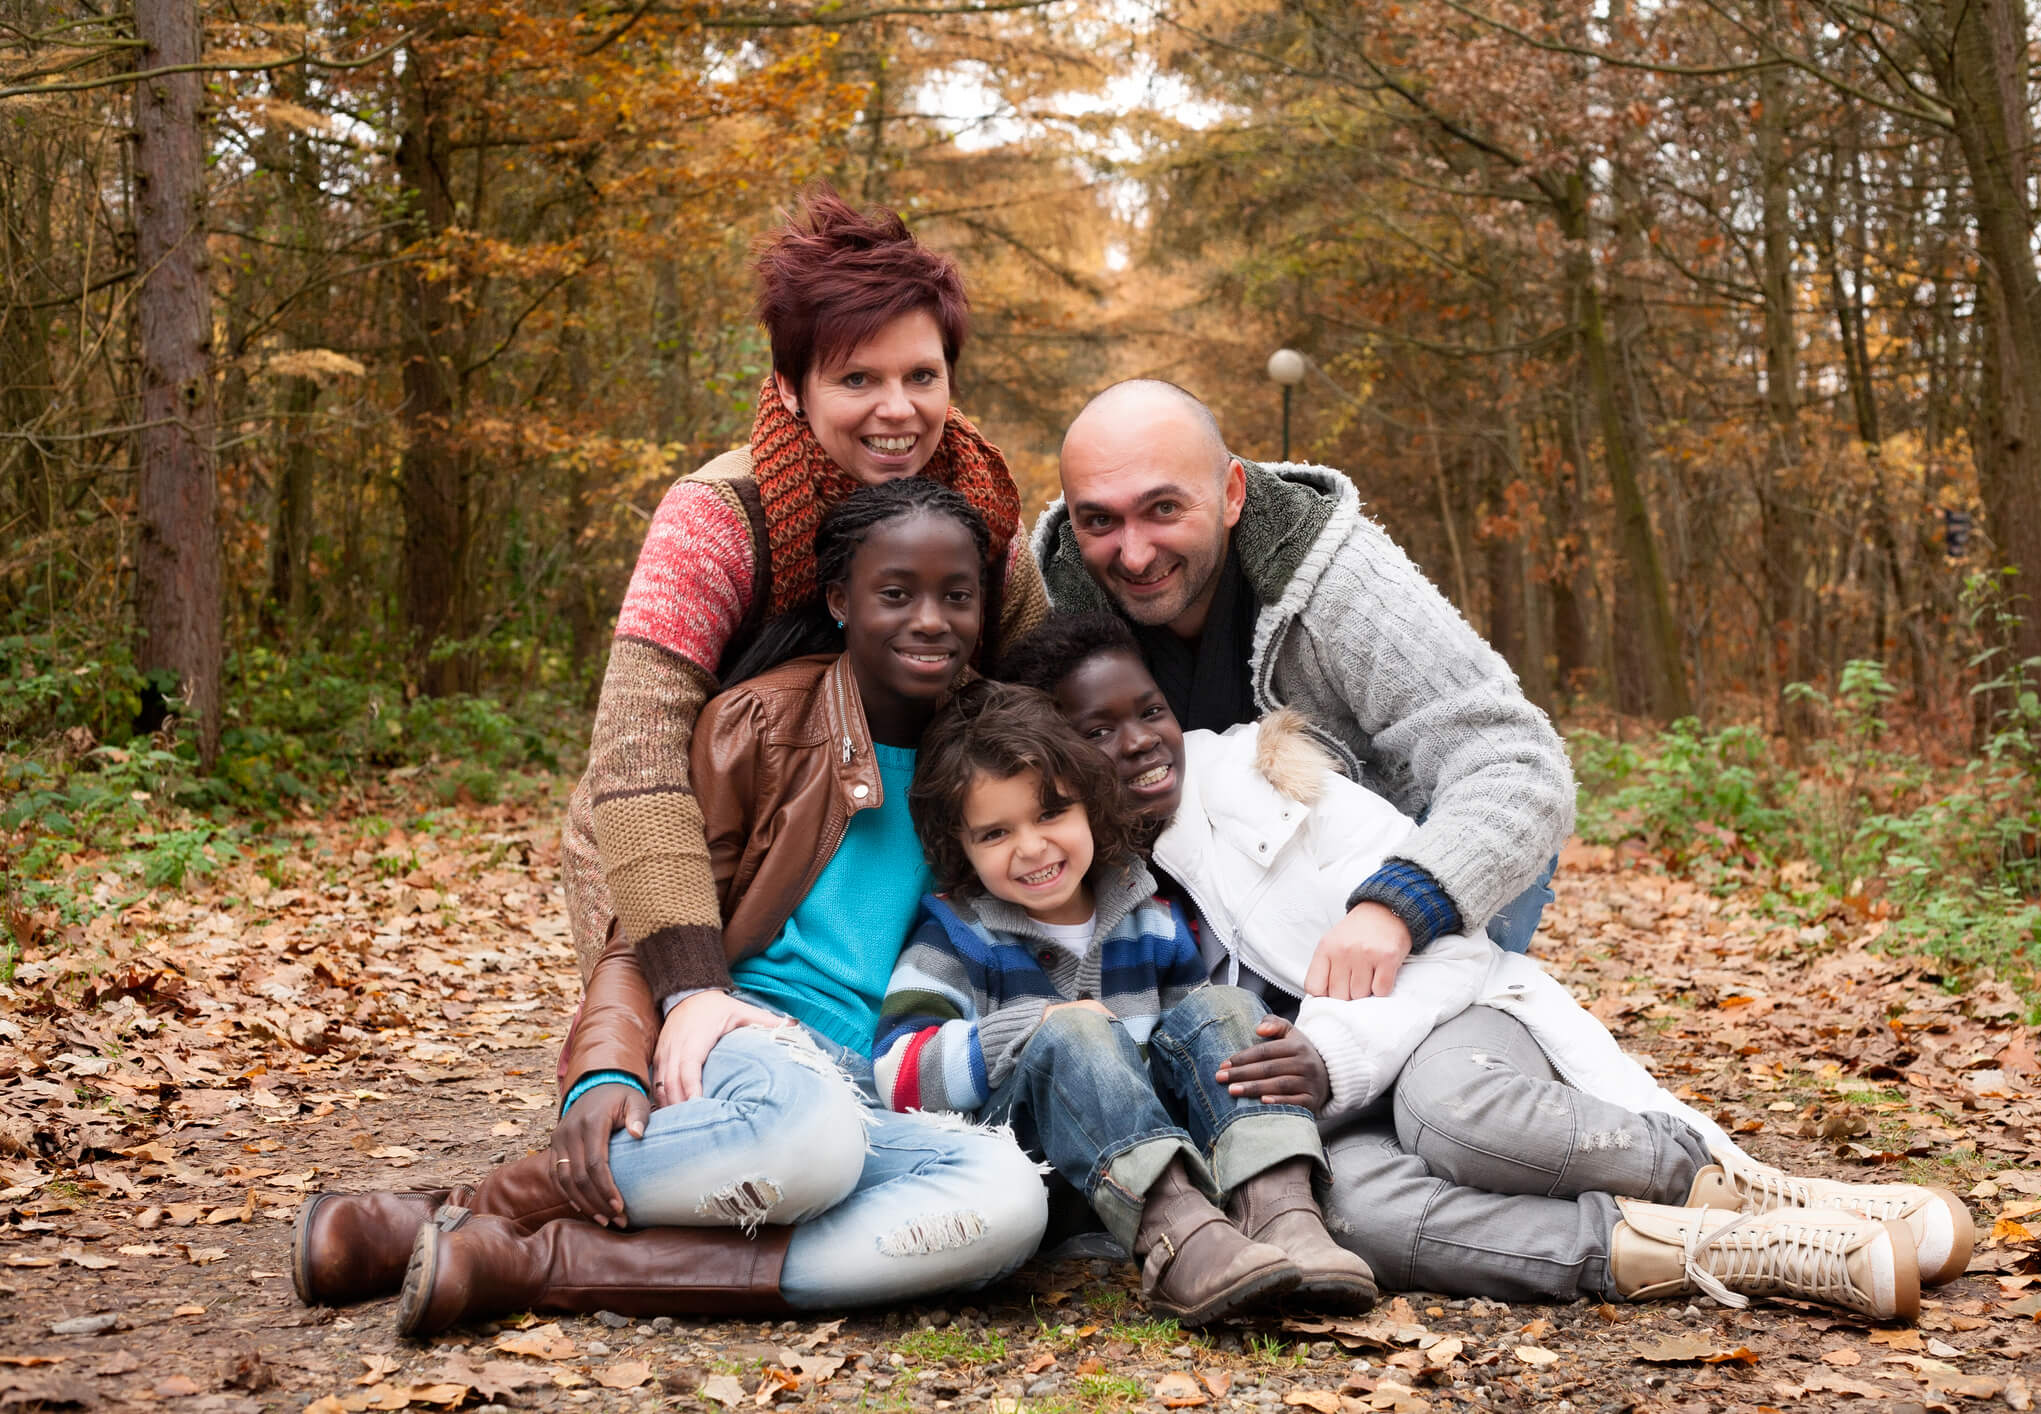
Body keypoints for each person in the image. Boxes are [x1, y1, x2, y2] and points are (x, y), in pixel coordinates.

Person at [992, 615, 1975, 1321]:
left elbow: (1458, 953)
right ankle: (1738, 1250)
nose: (1137, 743)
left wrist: (1334, 1055)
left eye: (1147, 710)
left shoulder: (1274, 785)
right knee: (1357, 1218)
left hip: (1445, 1019)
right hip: (1312, 1116)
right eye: (1096, 729)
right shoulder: (1069, 880)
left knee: (1455, 1115)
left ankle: (1760, 1189)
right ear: (1050, 754)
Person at [294, 482, 1048, 1336]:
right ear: (840, 601)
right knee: (811, 1144)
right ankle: (479, 1203)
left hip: (887, 1082)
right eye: (895, 593)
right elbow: (650, 927)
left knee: (1009, 1198)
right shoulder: (758, 725)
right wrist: (606, 1070)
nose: (929, 620)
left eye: (957, 597)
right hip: (750, 1050)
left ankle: (529, 1262)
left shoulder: (998, 741)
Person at [562, 186, 1044, 1004]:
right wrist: (688, 988)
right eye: (857, 377)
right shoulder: (717, 517)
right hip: (696, 849)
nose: (898, 409)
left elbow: (1043, 706)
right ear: (791, 386)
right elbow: (637, 756)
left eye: (921, 375)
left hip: (888, 858)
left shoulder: (985, 523)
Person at [872, 682, 1376, 1324]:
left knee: (1226, 1007)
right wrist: (1032, 1028)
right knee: (1074, 1035)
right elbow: (897, 1074)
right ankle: (1176, 1241)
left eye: (1050, 813)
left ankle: (1279, 1212)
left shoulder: (1152, 921)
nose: (1031, 847)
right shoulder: (957, 933)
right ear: (961, 846)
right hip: (1048, 1177)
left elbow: (1199, 1063)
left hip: (1182, 1167)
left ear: (1090, 805)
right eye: (995, 832)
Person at [1035, 379, 1569, 970]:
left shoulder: (1342, 580)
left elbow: (1516, 759)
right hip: (1196, 914)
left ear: (1232, 493)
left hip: (1382, 869)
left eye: (1164, 508)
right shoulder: (1054, 619)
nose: (1134, 554)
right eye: (1100, 521)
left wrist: (1401, 903)